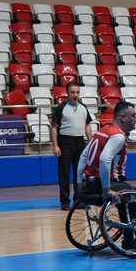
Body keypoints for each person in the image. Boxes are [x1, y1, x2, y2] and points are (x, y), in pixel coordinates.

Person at [77, 101, 136, 204]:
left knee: (130, 190)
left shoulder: (102, 130)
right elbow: (104, 159)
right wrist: (107, 190)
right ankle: (128, 220)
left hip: (88, 183)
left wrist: (79, 184)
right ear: (123, 118)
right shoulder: (118, 136)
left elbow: (83, 156)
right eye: (133, 116)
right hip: (103, 183)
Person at [51, 82, 94, 210]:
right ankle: (64, 202)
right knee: (64, 174)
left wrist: (91, 142)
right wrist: (55, 146)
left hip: (80, 142)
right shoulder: (61, 108)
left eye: (77, 92)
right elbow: (54, 127)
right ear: (67, 93)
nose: (75, 95)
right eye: (72, 92)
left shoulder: (83, 108)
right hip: (65, 142)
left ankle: (79, 201)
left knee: (79, 174)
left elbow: (87, 125)